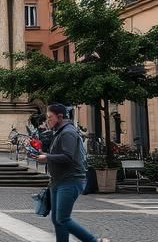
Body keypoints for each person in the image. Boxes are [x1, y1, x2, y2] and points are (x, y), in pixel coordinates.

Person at [36, 104, 110, 242]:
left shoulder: (68, 132)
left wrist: (47, 157)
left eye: (50, 117)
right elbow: (58, 154)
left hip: (70, 180)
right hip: (58, 181)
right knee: (57, 219)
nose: (48, 121)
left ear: (60, 117)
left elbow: (68, 157)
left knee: (63, 219)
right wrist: (41, 154)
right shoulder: (59, 132)